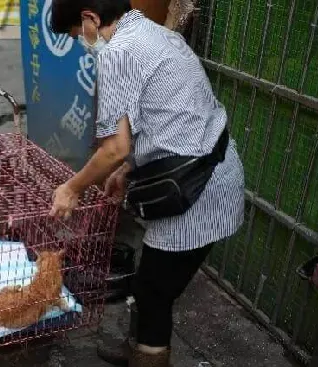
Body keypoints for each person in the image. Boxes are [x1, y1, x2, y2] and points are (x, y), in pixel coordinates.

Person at [48, 1, 244, 366]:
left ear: (90, 18)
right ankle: (137, 346)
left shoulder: (119, 52)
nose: (81, 42)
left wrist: (72, 188)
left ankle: (148, 355)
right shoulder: (153, 33)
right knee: (150, 281)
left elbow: (115, 147)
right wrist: (126, 171)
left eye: (78, 35)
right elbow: (165, 114)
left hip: (194, 190)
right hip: (213, 171)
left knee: (154, 293)